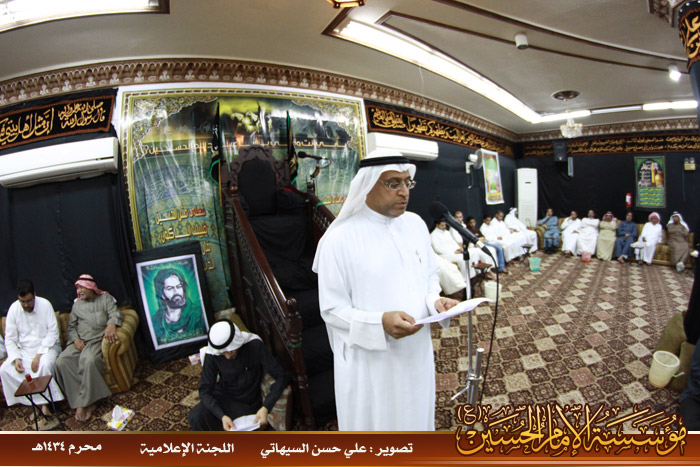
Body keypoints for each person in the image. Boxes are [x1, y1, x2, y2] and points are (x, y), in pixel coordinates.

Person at [313, 149, 459, 430]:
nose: (404, 192)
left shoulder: (415, 225)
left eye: (407, 182)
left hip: (416, 351)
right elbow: (331, 310)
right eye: (393, 183)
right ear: (367, 185)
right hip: (371, 362)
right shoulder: (339, 239)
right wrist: (379, 322)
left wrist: (435, 302)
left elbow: (429, 276)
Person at [188, 320, 290, 431]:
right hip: (224, 399)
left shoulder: (254, 346)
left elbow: (282, 376)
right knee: (196, 417)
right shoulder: (212, 355)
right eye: (223, 353)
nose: (227, 356)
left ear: (236, 342)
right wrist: (221, 415)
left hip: (248, 404)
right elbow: (204, 390)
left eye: (230, 351)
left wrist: (266, 407)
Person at [54, 274, 122, 422]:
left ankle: (85, 404)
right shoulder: (77, 305)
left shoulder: (105, 299)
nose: (79, 291)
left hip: (96, 341)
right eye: (78, 288)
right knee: (61, 361)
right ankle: (82, 401)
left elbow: (115, 313)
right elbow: (71, 327)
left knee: (89, 360)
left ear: (91, 287)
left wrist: (111, 324)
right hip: (79, 342)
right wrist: (75, 339)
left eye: (81, 288)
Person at [1, 280, 64, 415]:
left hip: (47, 348)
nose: (26, 305)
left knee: (44, 365)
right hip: (25, 351)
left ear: (34, 295)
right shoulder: (14, 308)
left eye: (28, 301)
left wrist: (38, 355)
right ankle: (35, 402)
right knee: (5, 370)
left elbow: (53, 333)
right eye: (22, 302)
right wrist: (16, 358)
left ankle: (45, 403)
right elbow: (10, 338)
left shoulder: (45, 304)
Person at [151, 268, 207, 346]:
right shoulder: (155, 322)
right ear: (161, 294)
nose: (176, 292)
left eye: (179, 286)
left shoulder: (199, 315)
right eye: (170, 288)